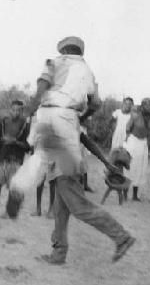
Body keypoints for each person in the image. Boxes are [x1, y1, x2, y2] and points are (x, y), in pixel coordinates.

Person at [25, 36, 135, 265]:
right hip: (68, 132)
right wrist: (79, 117)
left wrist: (32, 106)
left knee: (77, 205)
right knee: (61, 205)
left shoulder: (53, 63)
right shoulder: (87, 71)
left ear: (63, 50)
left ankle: (121, 236)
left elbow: (41, 89)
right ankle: (58, 254)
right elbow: (94, 106)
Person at [0, 100, 30, 218]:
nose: (15, 112)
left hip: (16, 160)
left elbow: (28, 147)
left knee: (14, 188)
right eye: (13, 109)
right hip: (3, 159)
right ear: (10, 110)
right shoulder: (4, 122)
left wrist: (15, 142)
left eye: (18, 110)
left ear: (21, 111)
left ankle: (9, 212)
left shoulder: (26, 126)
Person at [123, 98, 150, 201]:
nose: (149, 107)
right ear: (142, 106)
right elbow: (128, 128)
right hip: (133, 142)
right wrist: (127, 140)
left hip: (143, 144)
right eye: (147, 105)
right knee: (130, 167)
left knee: (140, 169)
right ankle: (125, 193)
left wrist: (148, 145)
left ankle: (135, 195)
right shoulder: (135, 115)